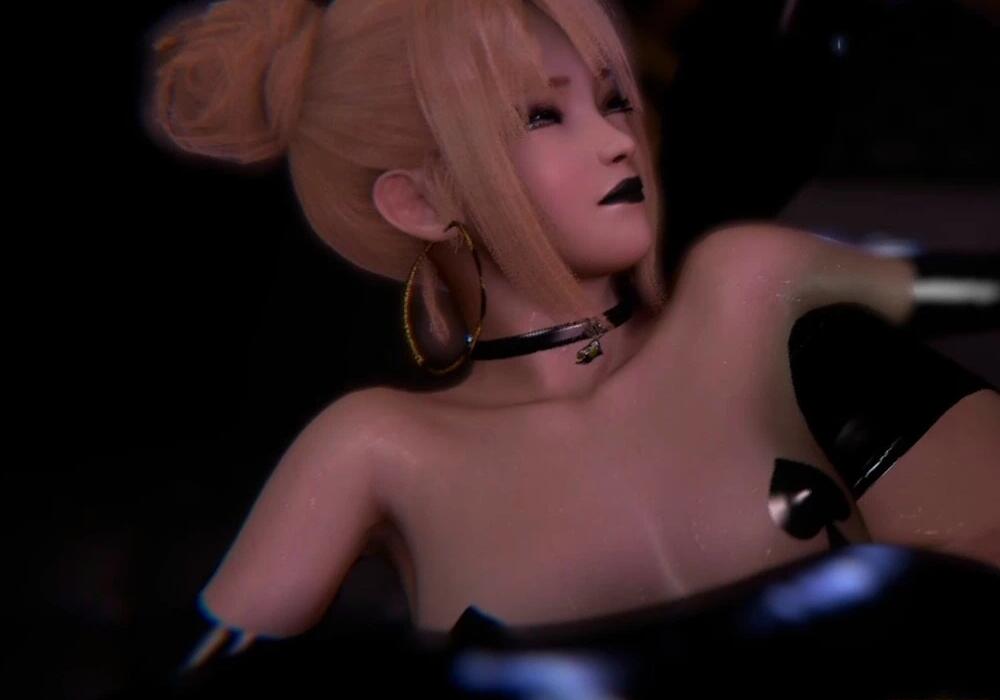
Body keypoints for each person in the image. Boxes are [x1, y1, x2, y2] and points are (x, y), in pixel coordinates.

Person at [147, 0, 1000, 671]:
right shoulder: (374, 446)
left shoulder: (744, 290)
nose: (619, 141)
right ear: (419, 201)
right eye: (542, 116)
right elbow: (195, 679)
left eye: (613, 98)